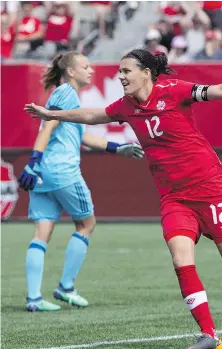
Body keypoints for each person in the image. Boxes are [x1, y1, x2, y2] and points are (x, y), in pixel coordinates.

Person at [24, 50, 222, 349]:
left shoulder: (174, 92)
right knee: (180, 260)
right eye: (119, 71)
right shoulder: (126, 106)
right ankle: (209, 334)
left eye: (126, 71)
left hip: (209, 188)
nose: (120, 76)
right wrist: (51, 114)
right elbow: (91, 115)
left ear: (146, 73)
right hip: (174, 197)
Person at [19, 51, 144, 312]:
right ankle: (65, 287)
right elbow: (48, 127)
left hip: (42, 174)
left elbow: (84, 137)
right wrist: (32, 158)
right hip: (62, 171)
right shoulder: (67, 93)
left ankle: (33, 299)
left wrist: (117, 148)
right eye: (85, 66)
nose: (91, 70)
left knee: (42, 232)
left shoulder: (65, 96)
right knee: (87, 223)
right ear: (71, 72)